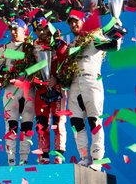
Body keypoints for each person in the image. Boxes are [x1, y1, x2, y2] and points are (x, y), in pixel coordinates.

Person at [66, 10, 122, 171]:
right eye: (70, 22)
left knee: (94, 121)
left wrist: (117, 26)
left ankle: (97, 160)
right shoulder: (72, 45)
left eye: (76, 21)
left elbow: (113, 46)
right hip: (75, 84)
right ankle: (84, 157)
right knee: (76, 123)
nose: (73, 24)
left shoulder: (94, 38)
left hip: (92, 81)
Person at [0, 19, 38, 166]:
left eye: (16, 29)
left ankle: (24, 160)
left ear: (24, 30)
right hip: (10, 90)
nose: (13, 32)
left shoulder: (32, 48)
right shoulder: (4, 48)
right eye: (11, 29)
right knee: (11, 126)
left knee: (26, 126)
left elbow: (40, 66)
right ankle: (11, 160)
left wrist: (28, 73)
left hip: (28, 90)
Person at [32, 18, 69, 164]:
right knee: (42, 123)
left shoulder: (58, 43)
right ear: (34, 32)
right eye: (38, 30)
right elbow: (29, 69)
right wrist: (36, 79)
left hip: (57, 88)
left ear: (49, 28)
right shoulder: (32, 47)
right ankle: (44, 154)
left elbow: (67, 64)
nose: (42, 32)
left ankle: (59, 153)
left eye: (44, 28)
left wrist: (58, 79)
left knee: (58, 121)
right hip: (41, 89)